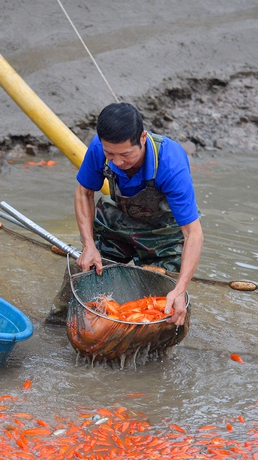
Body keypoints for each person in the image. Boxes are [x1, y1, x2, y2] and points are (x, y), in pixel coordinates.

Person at [74, 102, 203, 326]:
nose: (117, 162)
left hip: (164, 233)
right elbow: (84, 193)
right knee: (84, 277)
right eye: (110, 154)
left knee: (163, 307)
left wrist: (180, 289)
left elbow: (193, 233)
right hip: (118, 223)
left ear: (142, 138)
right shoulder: (98, 149)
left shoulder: (171, 164)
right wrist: (88, 246)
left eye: (125, 155)